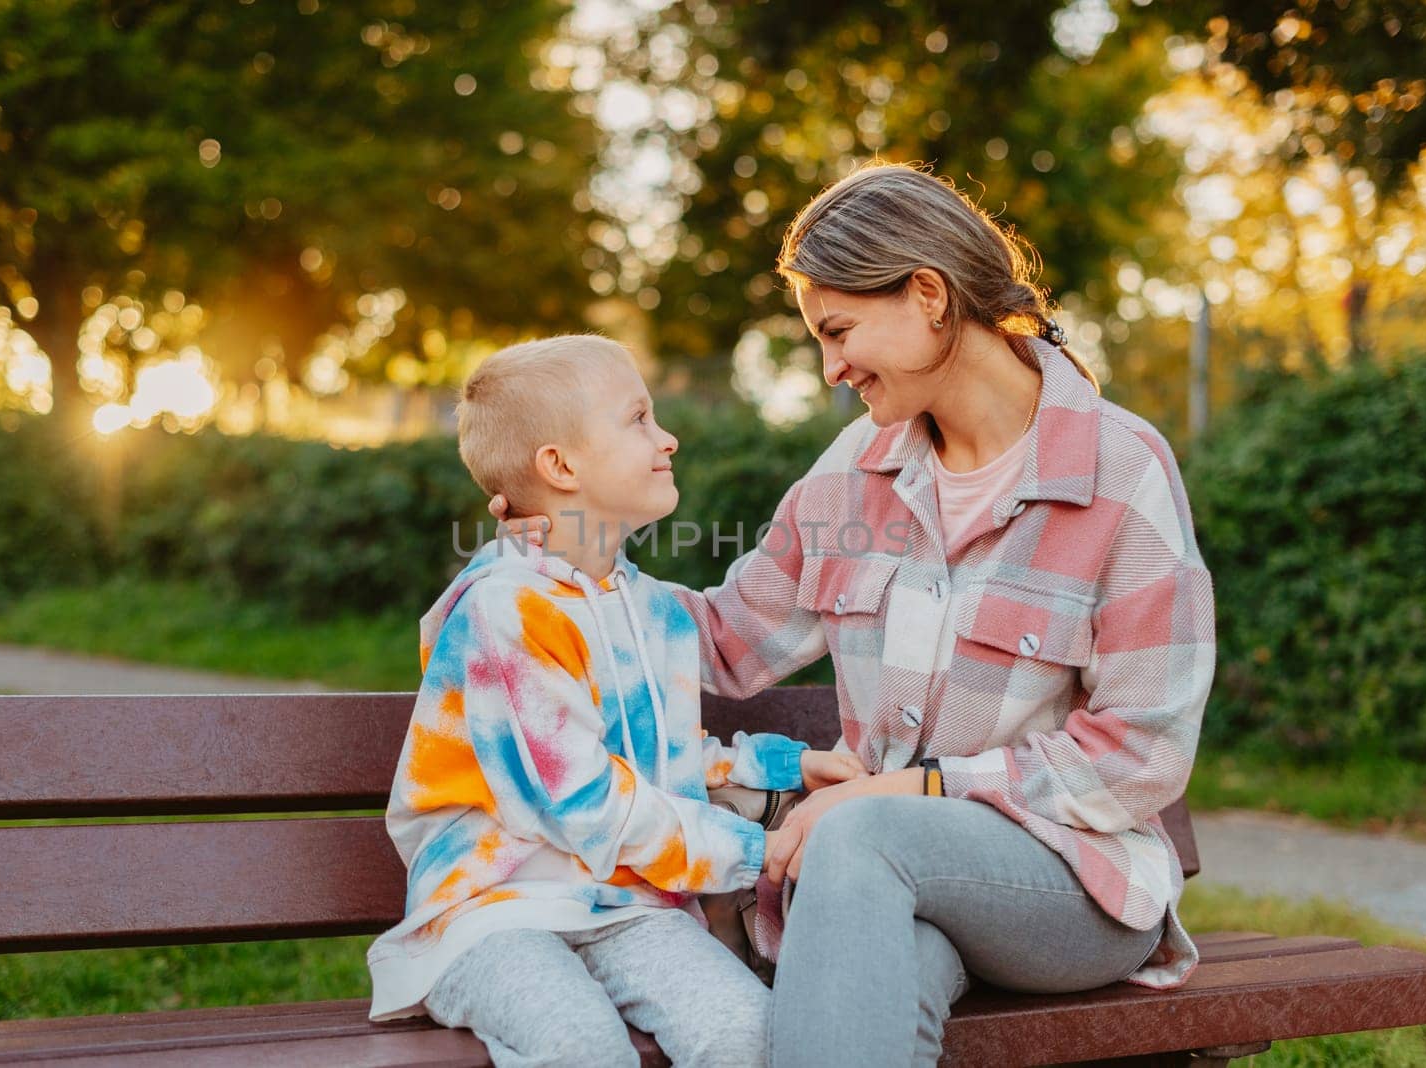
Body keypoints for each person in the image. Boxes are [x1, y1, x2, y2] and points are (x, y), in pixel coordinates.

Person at [490, 163, 1216, 1067]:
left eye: (838, 331)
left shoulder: (1119, 471)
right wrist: (566, 558)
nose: (832, 369)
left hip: (1070, 886)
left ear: (927, 295)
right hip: (874, 887)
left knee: (860, 833)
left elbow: (1142, 754)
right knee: (878, 969)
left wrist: (910, 791)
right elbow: (721, 642)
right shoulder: (853, 471)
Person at [366, 334, 866, 1067]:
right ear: (560, 466)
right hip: (497, 912)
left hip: (629, 906)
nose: (667, 438)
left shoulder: (653, 608)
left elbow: (659, 760)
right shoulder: (504, 613)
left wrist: (786, 769)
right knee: (581, 1045)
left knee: (747, 1031)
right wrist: (757, 853)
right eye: (638, 419)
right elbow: (587, 804)